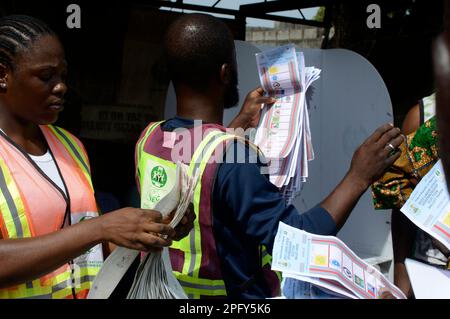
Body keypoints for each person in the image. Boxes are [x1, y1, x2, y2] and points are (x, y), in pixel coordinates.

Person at [135, 13, 403, 299]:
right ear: (225, 73)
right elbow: (299, 243)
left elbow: (199, 162)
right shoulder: (235, 159)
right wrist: (358, 177)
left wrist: (239, 124)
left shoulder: (149, 139)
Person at [0, 15, 193, 299]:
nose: (61, 86)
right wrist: (100, 227)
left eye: (63, 76)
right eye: (46, 76)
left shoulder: (70, 145)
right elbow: (91, 232)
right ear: (3, 75)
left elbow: (88, 251)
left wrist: (147, 229)